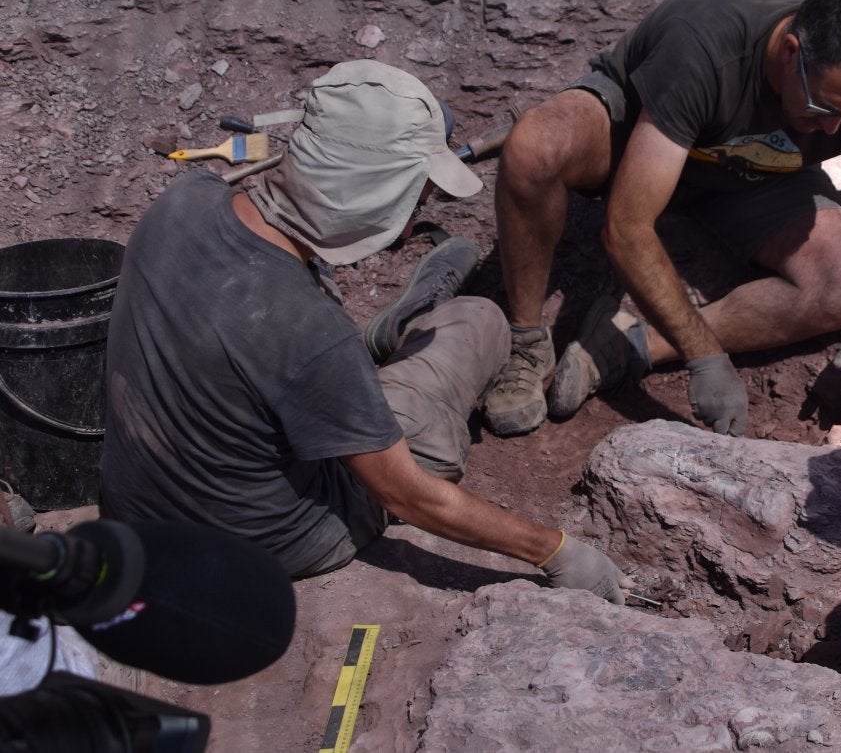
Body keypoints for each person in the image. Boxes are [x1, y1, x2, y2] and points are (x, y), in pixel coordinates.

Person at [100, 60, 629, 602]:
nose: (415, 214)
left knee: (311, 363)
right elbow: (410, 498)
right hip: (279, 538)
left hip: (141, 514)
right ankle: (398, 330)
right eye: (416, 197)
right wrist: (556, 550)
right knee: (478, 321)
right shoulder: (308, 333)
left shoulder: (183, 199)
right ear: (374, 193)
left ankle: (391, 330)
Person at [483, 0, 841, 438]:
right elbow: (627, 228)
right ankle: (527, 342)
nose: (834, 130)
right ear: (791, 52)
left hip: (755, 172)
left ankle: (628, 344)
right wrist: (705, 356)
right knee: (535, 148)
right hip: (640, 135)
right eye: (824, 108)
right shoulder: (706, 41)